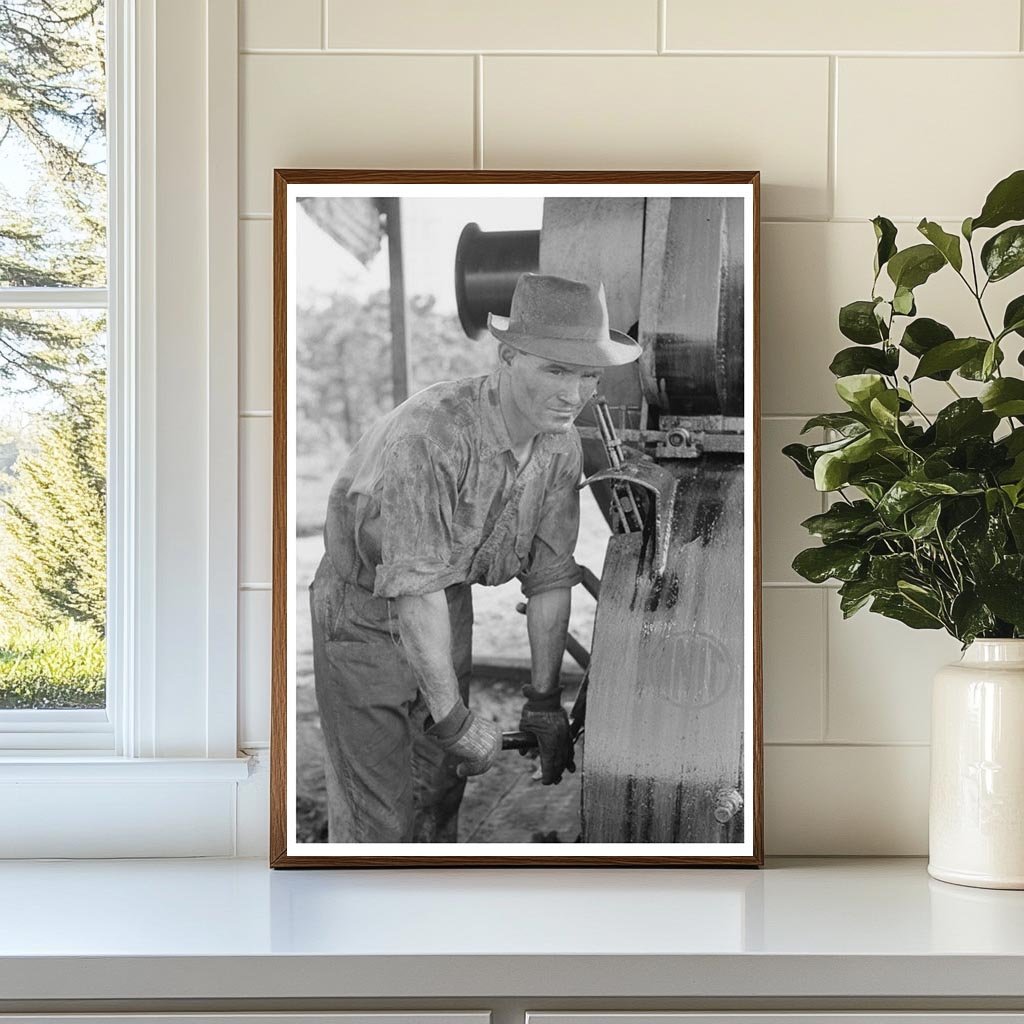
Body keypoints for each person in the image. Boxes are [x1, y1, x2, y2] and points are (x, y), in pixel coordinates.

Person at [310, 272, 642, 843]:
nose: (574, 393)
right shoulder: (433, 437)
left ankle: (436, 915)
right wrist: (457, 718)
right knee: (379, 815)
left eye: (588, 374)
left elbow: (550, 577)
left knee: (442, 788)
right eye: (556, 370)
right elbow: (414, 590)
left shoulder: (560, 443)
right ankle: (366, 915)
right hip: (362, 616)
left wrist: (543, 700)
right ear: (508, 356)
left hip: (447, 599)